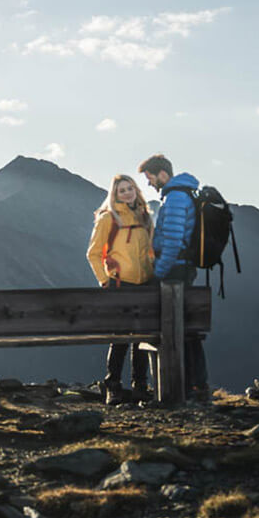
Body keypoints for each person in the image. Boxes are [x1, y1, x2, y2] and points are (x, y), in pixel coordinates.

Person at [142, 153, 209, 400]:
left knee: (181, 329)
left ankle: (194, 386)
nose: (149, 184)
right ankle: (194, 385)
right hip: (183, 268)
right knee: (186, 327)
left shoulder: (176, 198)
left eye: (150, 178)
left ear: (162, 174)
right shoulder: (182, 195)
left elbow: (172, 241)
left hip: (175, 271)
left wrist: (158, 274)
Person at [86, 174, 154, 405]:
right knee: (121, 338)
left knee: (141, 338)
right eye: (121, 190)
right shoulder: (108, 218)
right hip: (120, 284)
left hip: (145, 283)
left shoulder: (144, 217)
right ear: (114, 194)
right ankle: (112, 385)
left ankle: (140, 386)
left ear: (136, 190)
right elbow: (93, 253)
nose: (126, 193)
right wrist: (105, 281)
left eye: (129, 188)